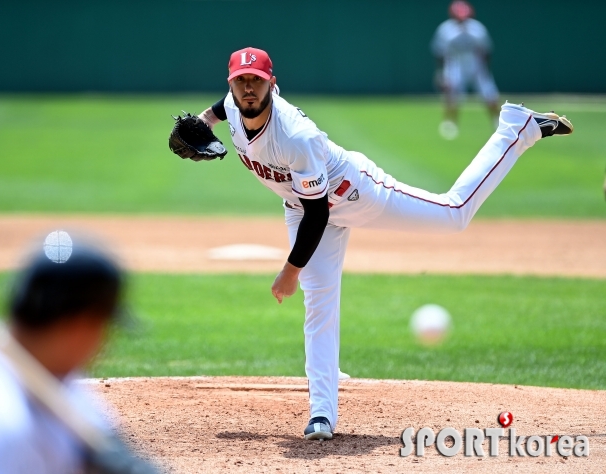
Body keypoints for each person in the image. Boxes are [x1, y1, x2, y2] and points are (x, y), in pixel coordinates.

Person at [177, 46, 573, 441]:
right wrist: (203, 121)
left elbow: (320, 215)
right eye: (241, 81)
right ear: (231, 83)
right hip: (302, 206)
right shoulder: (233, 102)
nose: (248, 89)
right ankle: (321, 415)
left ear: (272, 84)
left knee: (454, 214)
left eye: (257, 81)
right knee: (319, 304)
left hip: (356, 195)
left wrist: (289, 271)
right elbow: (224, 108)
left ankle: (517, 129)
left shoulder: (296, 137)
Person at [0, 234, 156, 473]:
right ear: (81, 326)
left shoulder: (40, 372)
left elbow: (90, 423)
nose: (104, 343)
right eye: (104, 326)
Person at [431, 0, 500, 140]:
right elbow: (439, 52)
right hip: (455, 64)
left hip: (475, 64)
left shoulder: (477, 28)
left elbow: (486, 51)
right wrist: (441, 72)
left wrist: (484, 70)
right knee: (452, 94)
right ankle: (450, 123)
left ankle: (497, 122)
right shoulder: (445, 29)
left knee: (489, 94)